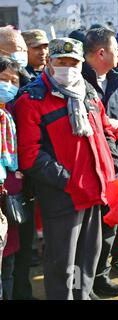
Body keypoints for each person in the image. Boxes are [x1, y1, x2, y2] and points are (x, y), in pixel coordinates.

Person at [15, 38, 118, 300]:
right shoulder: (32, 99)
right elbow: (29, 155)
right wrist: (68, 180)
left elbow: (105, 130)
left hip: (95, 193)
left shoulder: (89, 92)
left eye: (73, 62)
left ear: (81, 63)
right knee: (62, 264)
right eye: (61, 62)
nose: (67, 67)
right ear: (50, 62)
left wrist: (109, 168)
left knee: (88, 259)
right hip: (63, 196)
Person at [82, 28, 118, 299]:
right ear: (102, 52)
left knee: (108, 226)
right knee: (87, 233)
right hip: (89, 169)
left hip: (115, 164)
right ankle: (85, 283)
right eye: (116, 49)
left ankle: (100, 278)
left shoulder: (116, 78)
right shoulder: (78, 80)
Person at [0, 56, 22, 300]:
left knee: (8, 256)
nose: (8, 84)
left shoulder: (9, 115)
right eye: (3, 79)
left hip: (9, 194)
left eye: (13, 81)